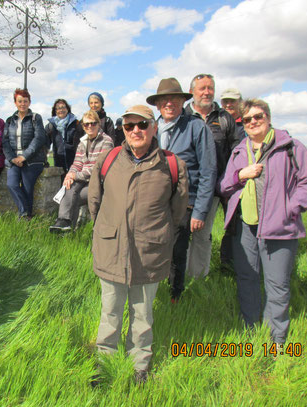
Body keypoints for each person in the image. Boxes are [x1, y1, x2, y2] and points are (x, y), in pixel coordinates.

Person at [88, 105, 188, 384]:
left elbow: (178, 211)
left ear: (154, 128)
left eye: (142, 125)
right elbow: (94, 201)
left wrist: (153, 233)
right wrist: (110, 229)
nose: (136, 131)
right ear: (122, 129)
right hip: (111, 249)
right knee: (110, 310)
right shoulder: (108, 159)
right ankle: (104, 360)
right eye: (129, 125)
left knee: (142, 313)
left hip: (149, 252)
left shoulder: (171, 164)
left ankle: (139, 363)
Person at [218, 99, 307, 349]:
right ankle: (251, 332)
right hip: (245, 226)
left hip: (280, 228)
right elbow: (223, 186)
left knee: (277, 284)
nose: (253, 122)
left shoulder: (290, 147)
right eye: (247, 119)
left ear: (268, 117)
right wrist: (240, 175)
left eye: (258, 117)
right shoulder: (240, 150)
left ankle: (276, 341)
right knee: (246, 279)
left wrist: (290, 209)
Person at [147, 78, 217, 302]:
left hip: (185, 202)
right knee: (154, 247)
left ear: (182, 102)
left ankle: (175, 295)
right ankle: (152, 290)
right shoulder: (150, 129)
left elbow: (208, 170)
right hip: (155, 203)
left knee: (177, 251)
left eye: (174, 99)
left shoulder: (196, 127)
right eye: (164, 100)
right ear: (157, 105)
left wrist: (199, 210)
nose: (169, 103)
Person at [184, 74, 244, 278]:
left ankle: (198, 277)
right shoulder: (183, 115)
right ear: (192, 91)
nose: (207, 92)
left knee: (202, 234)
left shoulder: (223, 118)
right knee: (181, 234)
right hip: (184, 188)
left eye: (210, 88)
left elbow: (237, 150)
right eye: (202, 88)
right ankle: (177, 277)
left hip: (213, 188)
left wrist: (229, 181)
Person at [49, 110, 113, 232]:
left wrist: (75, 175)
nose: (89, 126)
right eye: (86, 124)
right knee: (68, 187)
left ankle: (65, 224)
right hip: (83, 181)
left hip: (99, 183)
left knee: (73, 197)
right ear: (83, 126)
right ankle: (65, 224)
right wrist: (69, 175)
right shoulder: (82, 142)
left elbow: (98, 168)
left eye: (93, 123)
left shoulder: (107, 141)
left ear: (99, 124)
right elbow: (77, 163)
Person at [2, 88, 47, 219]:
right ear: (15, 102)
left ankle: (25, 217)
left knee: (28, 188)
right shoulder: (10, 120)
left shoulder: (35, 118)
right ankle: (26, 213)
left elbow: (39, 139)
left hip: (32, 160)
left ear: (29, 102)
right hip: (14, 160)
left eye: (25, 101)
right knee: (12, 184)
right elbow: (5, 142)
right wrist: (13, 159)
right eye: (20, 101)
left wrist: (24, 156)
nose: (23, 104)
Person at [45, 99, 82, 175]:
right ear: (55, 111)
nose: (61, 110)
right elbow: (44, 144)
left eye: (63, 107)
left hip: (75, 164)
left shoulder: (76, 124)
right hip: (59, 164)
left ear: (67, 109)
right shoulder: (50, 126)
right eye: (58, 108)